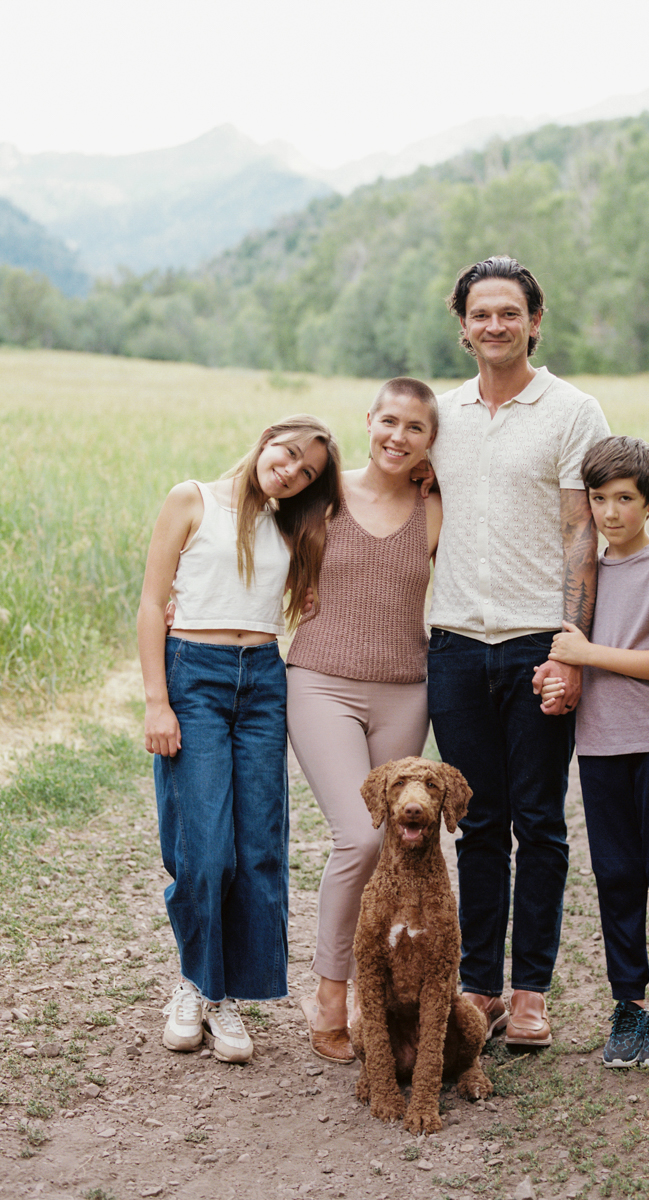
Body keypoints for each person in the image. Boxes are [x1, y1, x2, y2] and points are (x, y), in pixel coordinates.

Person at [426, 255, 610, 1047]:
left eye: (510, 312)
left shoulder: (572, 410)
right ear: (460, 323)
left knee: (538, 821)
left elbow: (582, 533)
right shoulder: (439, 414)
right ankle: (478, 988)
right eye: (480, 313)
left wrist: (569, 650)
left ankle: (530, 990)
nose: (494, 325)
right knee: (476, 821)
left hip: (540, 639)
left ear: (534, 321)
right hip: (456, 645)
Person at [137, 414, 341, 1063]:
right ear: (265, 441)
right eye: (286, 455)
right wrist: (156, 702)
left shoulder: (292, 525)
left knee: (256, 850)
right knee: (203, 849)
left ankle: (224, 998)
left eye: (306, 471)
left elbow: (365, 507)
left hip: (261, 683)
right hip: (193, 675)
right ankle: (197, 985)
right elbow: (150, 603)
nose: (290, 471)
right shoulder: (191, 498)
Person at [285, 377, 442, 1063]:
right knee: (357, 835)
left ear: (430, 444)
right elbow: (253, 546)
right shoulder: (325, 493)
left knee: (392, 847)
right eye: (388, 421)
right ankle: (329, 993)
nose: (397, 437)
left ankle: (382, 1000)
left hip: (405, 689)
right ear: (368, 421)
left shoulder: (435, 508)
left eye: (414, 428)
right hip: (321, 683)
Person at [545, 435, 649, 1068]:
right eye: (600, 498)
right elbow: (564, 654)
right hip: (601, 747)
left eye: (626, 499)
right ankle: (628, 1002)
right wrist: (556, 673)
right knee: (615, 873)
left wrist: (588, 655)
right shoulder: (583, 574)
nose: (611, 513)